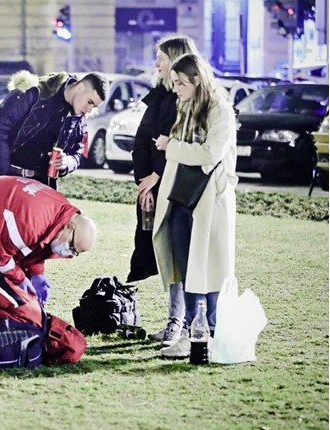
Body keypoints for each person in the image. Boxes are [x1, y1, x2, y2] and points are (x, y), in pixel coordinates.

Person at [152, 53, 238, 358]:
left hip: (208, 200)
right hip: (181, 197)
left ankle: (209, 332)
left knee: (209, 267)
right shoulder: (185, 107)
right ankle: (192, 329)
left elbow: (210, 154)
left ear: (197, 80)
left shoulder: (220, 110)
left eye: (180, 82)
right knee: (187, 267)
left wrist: (171, 147)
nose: (174, 88)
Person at [127, 35, 199, 347]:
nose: (156, 64)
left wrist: (157, 174)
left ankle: (182, 323)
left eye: (161, 58)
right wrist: (144, 178)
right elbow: (143, 140)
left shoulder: (187, 102)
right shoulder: (160, 97)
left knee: (179, 257)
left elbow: (186, 144)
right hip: (154, 187)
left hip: (178, 190)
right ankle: (177, 320)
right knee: (164, 256)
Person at [0, 71, 109, 190]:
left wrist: (66, 163)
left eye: (94, 106)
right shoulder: (35, 91)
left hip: (37, 182)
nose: (89, 109)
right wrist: (1, 179)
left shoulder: (78, 117)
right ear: (79, 87)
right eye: (90, 102)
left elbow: (77, 152)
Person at [0, 176, 97, 304]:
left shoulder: (60, 212)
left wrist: (36, 273)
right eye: (71, 246)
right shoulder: (32, 220)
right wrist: (20, 278)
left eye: (75, 252)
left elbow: (39, 241)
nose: (68, 252)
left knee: (2, 283)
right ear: (70, 227)